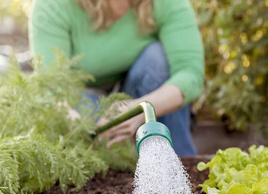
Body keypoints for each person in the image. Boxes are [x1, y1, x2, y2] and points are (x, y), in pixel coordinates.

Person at [29, 0, 204, 156]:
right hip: (83, 96)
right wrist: (73, 120)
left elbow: (190, 74)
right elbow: (51, 86)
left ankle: (178, 160)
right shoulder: (52, 6)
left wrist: (140, 109)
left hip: (139, 89)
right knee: (89, 133)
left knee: (157, 59)